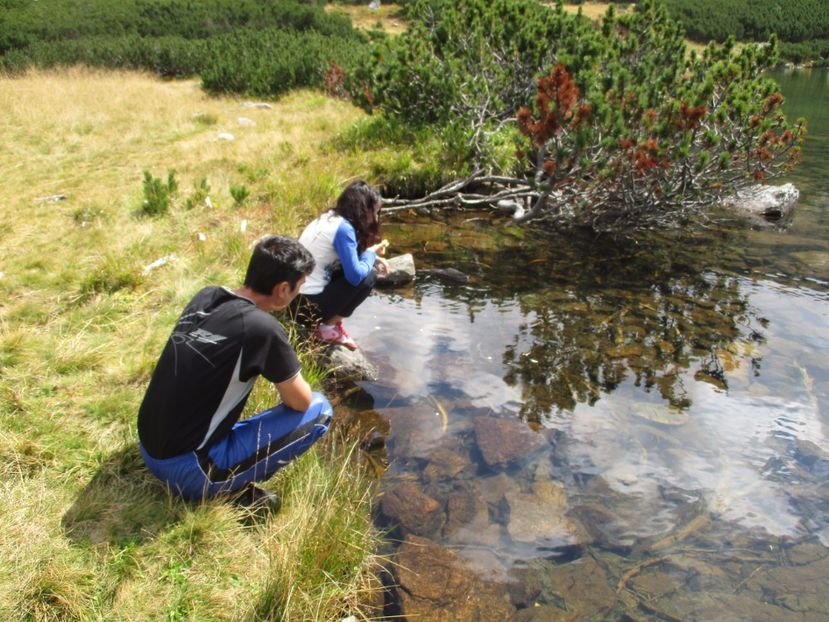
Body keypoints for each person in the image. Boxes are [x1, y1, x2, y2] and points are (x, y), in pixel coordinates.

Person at [137, 235, 331, 510]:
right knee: (320, 409)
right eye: (299, 286)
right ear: (283, 289)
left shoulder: (207, 295)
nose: (300, 293)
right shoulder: (262, 328)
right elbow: (300, 402)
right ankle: (232, 488)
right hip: (188, 470)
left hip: (149, 447)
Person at [297, 180, 389, 350]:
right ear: (363, 209)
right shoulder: (344, 229)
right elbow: (355, 277)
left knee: (358, 269)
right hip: (308, 308)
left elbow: (342, 258)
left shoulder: (329, 218)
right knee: (369, 276)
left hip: (294, 300)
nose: (375, 218)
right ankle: (326, 328)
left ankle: (330, 325)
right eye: (375, 212)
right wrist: (370, 255)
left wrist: (370, 256)